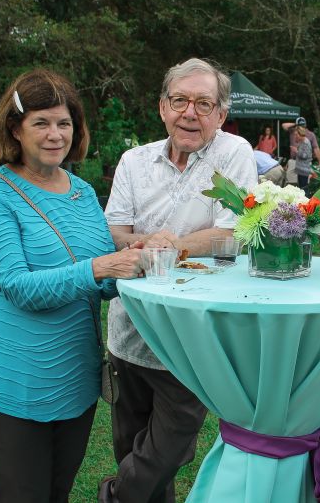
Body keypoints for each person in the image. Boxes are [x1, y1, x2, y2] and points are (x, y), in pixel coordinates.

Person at [0, 68, 144, 503]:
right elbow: (19, 286)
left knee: (57, 493)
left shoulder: (82, 192)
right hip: (13, 381)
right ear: (15, 128)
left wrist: (139, 259)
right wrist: (102, 268)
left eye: (63, 123)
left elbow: (103, 283)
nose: (54, 134)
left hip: (75, 380)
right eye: (41, 123)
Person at [100, 58, 258, 503]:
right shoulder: (135, 160)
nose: (191, 112)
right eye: (180, 100)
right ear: (162, 107)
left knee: (167, 448)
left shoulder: (233, 154)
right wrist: (149, 240)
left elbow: (234, 232)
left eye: (204, 104)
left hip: (192, 334)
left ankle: (114, 495)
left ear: (221, 115)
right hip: (129, 327)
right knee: (130, 445)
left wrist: (174, 247)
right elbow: (112, 230)